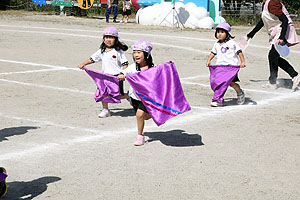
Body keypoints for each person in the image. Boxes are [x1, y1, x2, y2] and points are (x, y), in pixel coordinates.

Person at [246, 0, 300, 91]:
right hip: (276, 32)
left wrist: (282, 37)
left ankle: (294, 75)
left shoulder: (272, 3)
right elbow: (263, 21)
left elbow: (285, 20)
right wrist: (251, 34)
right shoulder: (266, 3)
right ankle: (273, 81)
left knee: (273, 55)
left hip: (282, 30)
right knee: (273, 56)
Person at [78, 26, 129, 118]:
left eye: (111, 37)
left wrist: (123, 74)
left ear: (116, 39)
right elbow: (93, 59)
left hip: (116, 77)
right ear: (103, 39)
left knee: (117, 95)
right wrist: (83, 64)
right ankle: (105, 110)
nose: (108, 40)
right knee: (103, 93)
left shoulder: (118, 51)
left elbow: (125, 64)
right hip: (104, 77)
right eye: (106, 37)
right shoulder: (102, 51)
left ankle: (128, 96)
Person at [118, 40, 154, 146]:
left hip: (147, 98)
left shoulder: (153, 68)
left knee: (139, 115)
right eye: (134, 52)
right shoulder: (133, 67)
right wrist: (122, 75)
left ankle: (140, 136)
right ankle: (153, 114)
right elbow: (124, 73)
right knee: (144, 117)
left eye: (139, 52)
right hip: (134, 96)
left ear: (146, 54)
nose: (136, 55)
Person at [206, 22, 246, 107]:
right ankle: (218, 99)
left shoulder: (232, 43)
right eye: (218, 32)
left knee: (231, 83)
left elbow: (239, 52)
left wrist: (242, 62)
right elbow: (213, 52)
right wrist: (209, 60)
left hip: (231, 68)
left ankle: (240, 93)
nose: (219, 34)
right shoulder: (216, 44)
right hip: (220, 68)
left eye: (222, 32)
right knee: (219, 83)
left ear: (227, 33)